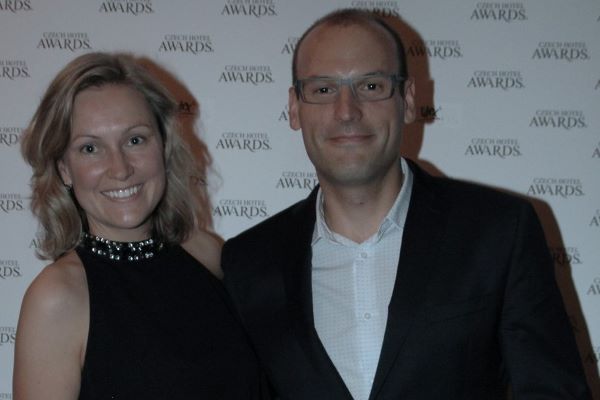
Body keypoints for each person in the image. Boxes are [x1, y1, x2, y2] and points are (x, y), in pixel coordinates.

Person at [221, 9, 591, 400]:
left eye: (371, 86)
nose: (346, 111)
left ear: (409, 100)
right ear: (295, 107)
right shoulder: (248, 263)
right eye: (323, 89)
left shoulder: (498, 232)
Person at [14, 52, 267, 399]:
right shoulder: (58, 297)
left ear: (163, 145)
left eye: (135, 140)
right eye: (90, 148)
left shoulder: (207, 254)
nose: (120, 168)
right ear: (64, 169)